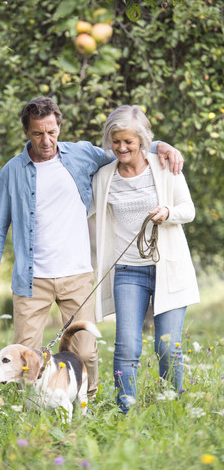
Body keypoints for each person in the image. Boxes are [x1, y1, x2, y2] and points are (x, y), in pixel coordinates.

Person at [0, 97, 183, 401]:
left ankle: (86, 401)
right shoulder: (12, 172)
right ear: (26, 133)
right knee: (25, 354)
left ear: (59, 126)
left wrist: (161, 146)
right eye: (38, 133)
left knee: (86, 350)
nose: (46, 140)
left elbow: (125, 145)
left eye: (52, 131)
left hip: (76, 274)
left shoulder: (81, 154)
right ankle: (25, 410)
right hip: (31, 278)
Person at [91, 104, 200, 412]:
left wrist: (167, 213)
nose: (122, 148)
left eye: (129, 141)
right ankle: (125, 411)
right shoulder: (103, 176)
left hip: (167, 268)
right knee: (126, 345)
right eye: (116, 141)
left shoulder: (164, 166)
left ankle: (171, 409)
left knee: (166, 346)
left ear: (142, 140)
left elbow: (188, 210)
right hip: (127, 271)